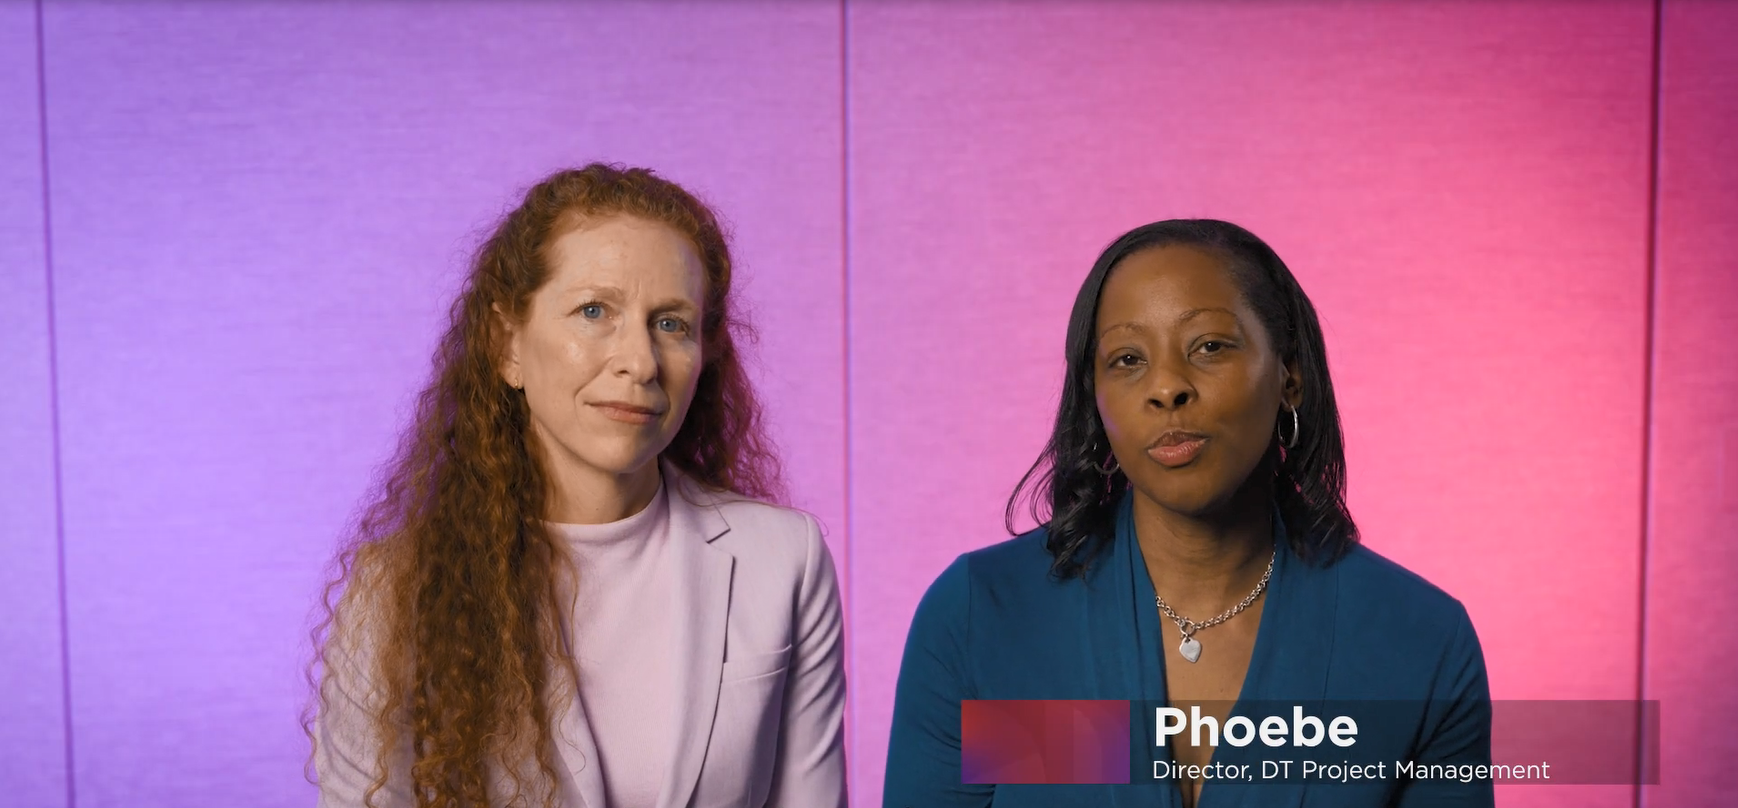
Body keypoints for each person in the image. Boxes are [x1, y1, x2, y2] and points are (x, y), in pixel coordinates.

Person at [882, 220, 1492, 808]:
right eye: (1126, 359)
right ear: (1095, 398)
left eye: (1209, 346)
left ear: (1290, 377)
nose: (1167, 386)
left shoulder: (1419, 642)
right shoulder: (982, 616)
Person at [309, 164, 847, 808]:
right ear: (507, 344)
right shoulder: (394, 592)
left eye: (671, 323)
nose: (640, 362)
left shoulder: (786, 559)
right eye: (594, 311)